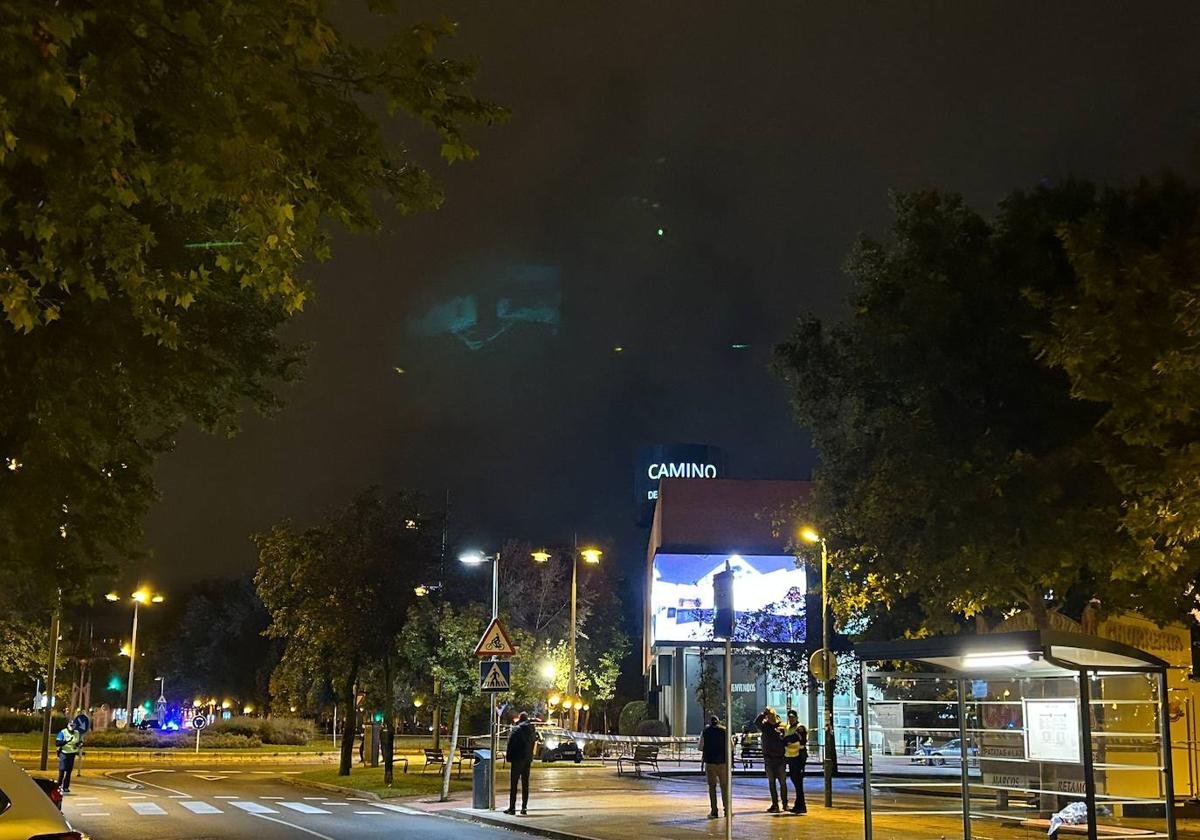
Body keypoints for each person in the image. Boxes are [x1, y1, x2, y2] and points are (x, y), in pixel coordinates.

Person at [504, 712, 540, 815]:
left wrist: (509, 757)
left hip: (517, 759)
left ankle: (512, 808)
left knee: (514, 784)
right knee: (525, 784)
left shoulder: (516, 730)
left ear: (520, 719)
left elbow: (511, 745)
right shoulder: (532, 730)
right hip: (527, 759)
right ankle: (524, 808)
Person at [754, 707, 788, 813]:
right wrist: (763, 713)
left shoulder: (782, 727)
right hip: (769, 759)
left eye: (771, 715)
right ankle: (775, 804)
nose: (770, 717)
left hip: (780, 759)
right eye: (768, 716)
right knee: (772, 782)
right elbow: (756, 722)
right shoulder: (765, 727)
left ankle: (785, 804)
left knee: (782, 782)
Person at [699, 715, 729, 819]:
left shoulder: (705, 732)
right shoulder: (725, 731)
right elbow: (731, 746)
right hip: (723, 762)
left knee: (712, 787)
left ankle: (714, 811)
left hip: (710, 762)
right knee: (724, 787)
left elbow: (700, 747)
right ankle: (727, 810)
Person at [782, 710, 808, 814]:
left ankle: (801, 806)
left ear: (796, 717)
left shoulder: (800, 727)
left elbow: (793, 738)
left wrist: (785, 740)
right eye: (789, 717)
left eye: (792, 717)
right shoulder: (788, 727)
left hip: (799, 756)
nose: (791, 719)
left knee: (798, 782)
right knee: (795, 780)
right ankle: (799, 805)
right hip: (791, 756)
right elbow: (786, 738)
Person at [55, 719, 82, 794]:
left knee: (69, 771)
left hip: (72, 754)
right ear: (68, 725)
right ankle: (59, 786)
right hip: (64, 753)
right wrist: (66, 741)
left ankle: (66, 787)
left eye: (73, 726)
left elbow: (79, 742)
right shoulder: (63, 732)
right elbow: (57, 743)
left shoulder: (77, 733)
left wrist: (79, 744)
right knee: (62, 770)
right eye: (71, 725)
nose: (72, 727)